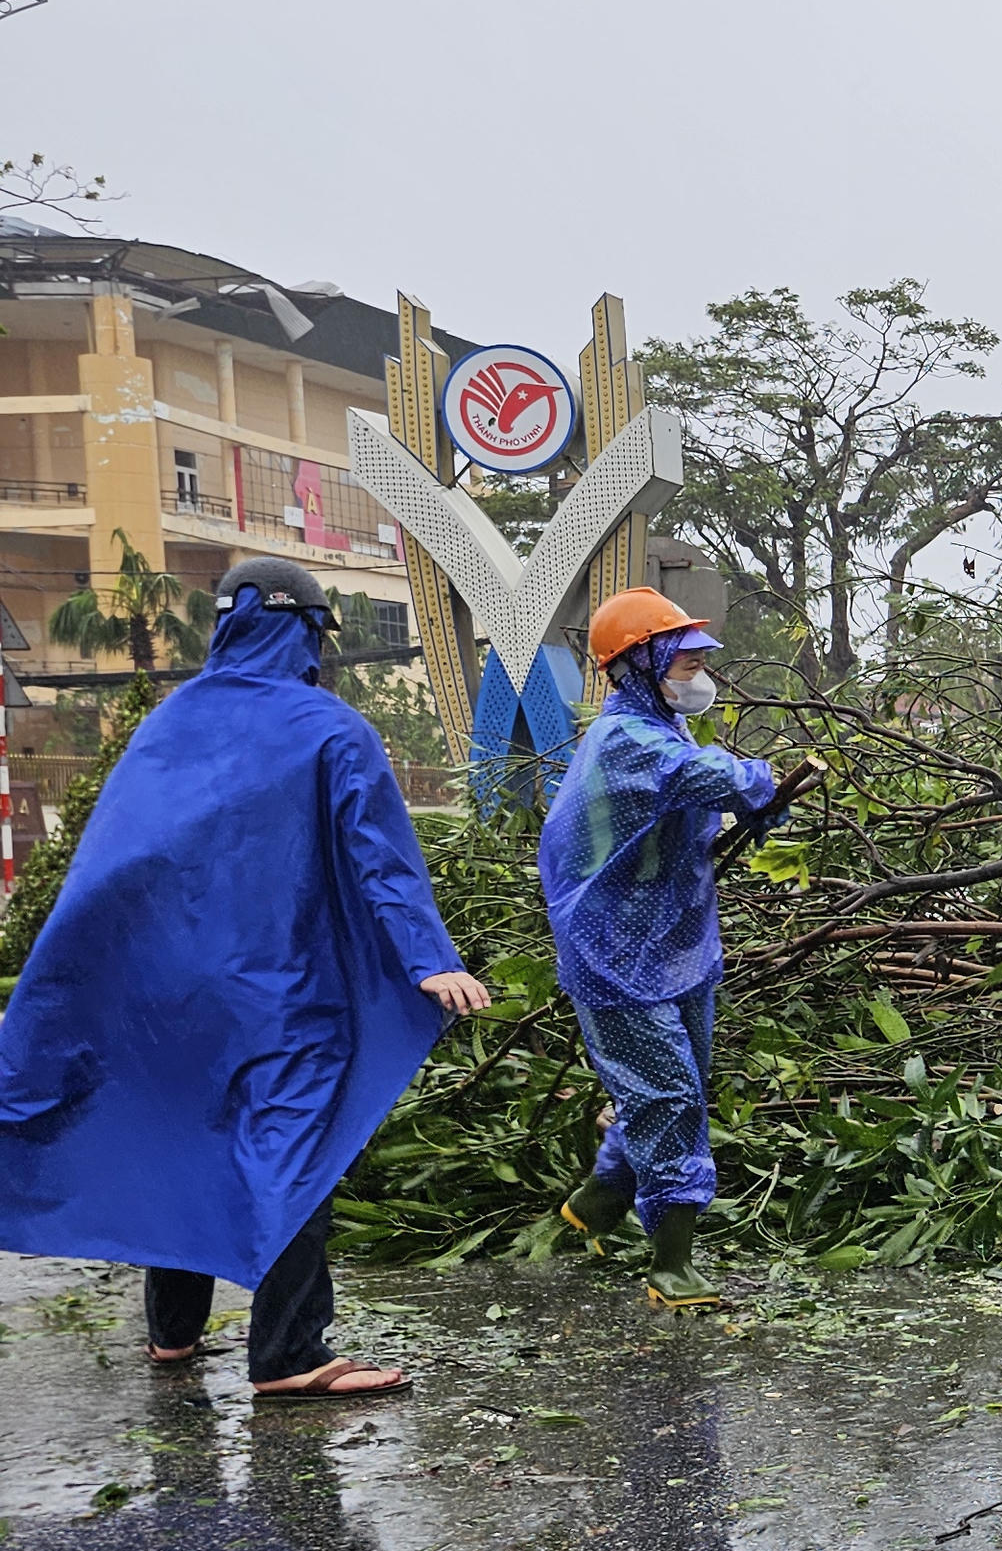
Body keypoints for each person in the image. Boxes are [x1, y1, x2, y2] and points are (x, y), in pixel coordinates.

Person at [0, 558, 492, 1399]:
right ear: (303, 629)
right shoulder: (330, 729)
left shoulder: (166, 725)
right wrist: (430, 960)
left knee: (179, 1138)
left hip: (162, 996)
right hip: (278, 993)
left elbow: (108, 866)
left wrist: (77, 980)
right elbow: (381, 859)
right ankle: (291, 1355)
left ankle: (172, 1336)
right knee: (297, 1148)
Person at [541, 589, 781, 1309]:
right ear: (640, 664)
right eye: (686, 657)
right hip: (615, 955)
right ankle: (670, 1265)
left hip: (676, 945)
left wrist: (755, 796)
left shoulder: (667, 732)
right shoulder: (625, 741)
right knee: (668, 1095)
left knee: (673, 1089)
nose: (700, 670)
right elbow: (704, 779)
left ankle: (597, 1201)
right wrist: (759, 781)